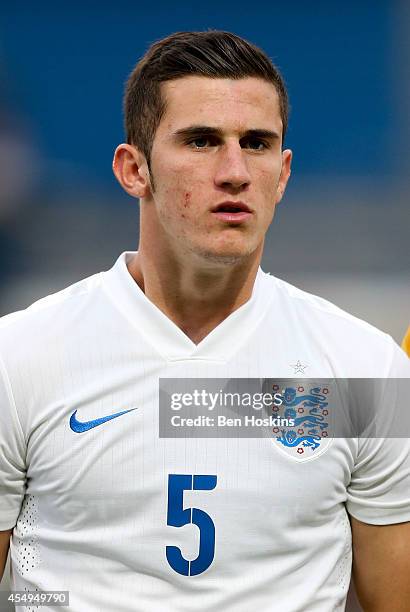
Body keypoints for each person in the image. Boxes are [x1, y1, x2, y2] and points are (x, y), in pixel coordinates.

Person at [0, 30, 409, 612]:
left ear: (284, 173)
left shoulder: (364, 368)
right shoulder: (18, 359)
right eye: (201, 141)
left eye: (258, 143)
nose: (235, 171)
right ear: (134, 169)